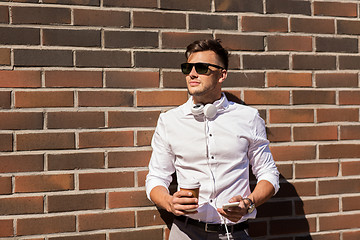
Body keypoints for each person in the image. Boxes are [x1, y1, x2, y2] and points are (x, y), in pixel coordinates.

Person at [145, 39, 279, 240]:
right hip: (184, 232)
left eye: (201, 68)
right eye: (187, 68)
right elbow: (156, 177)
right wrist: (168, 201)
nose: (192, 74)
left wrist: (248, 203)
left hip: (233, 233)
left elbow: (269, 174)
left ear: (222, 74)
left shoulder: (249, 118)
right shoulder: (170, 121)